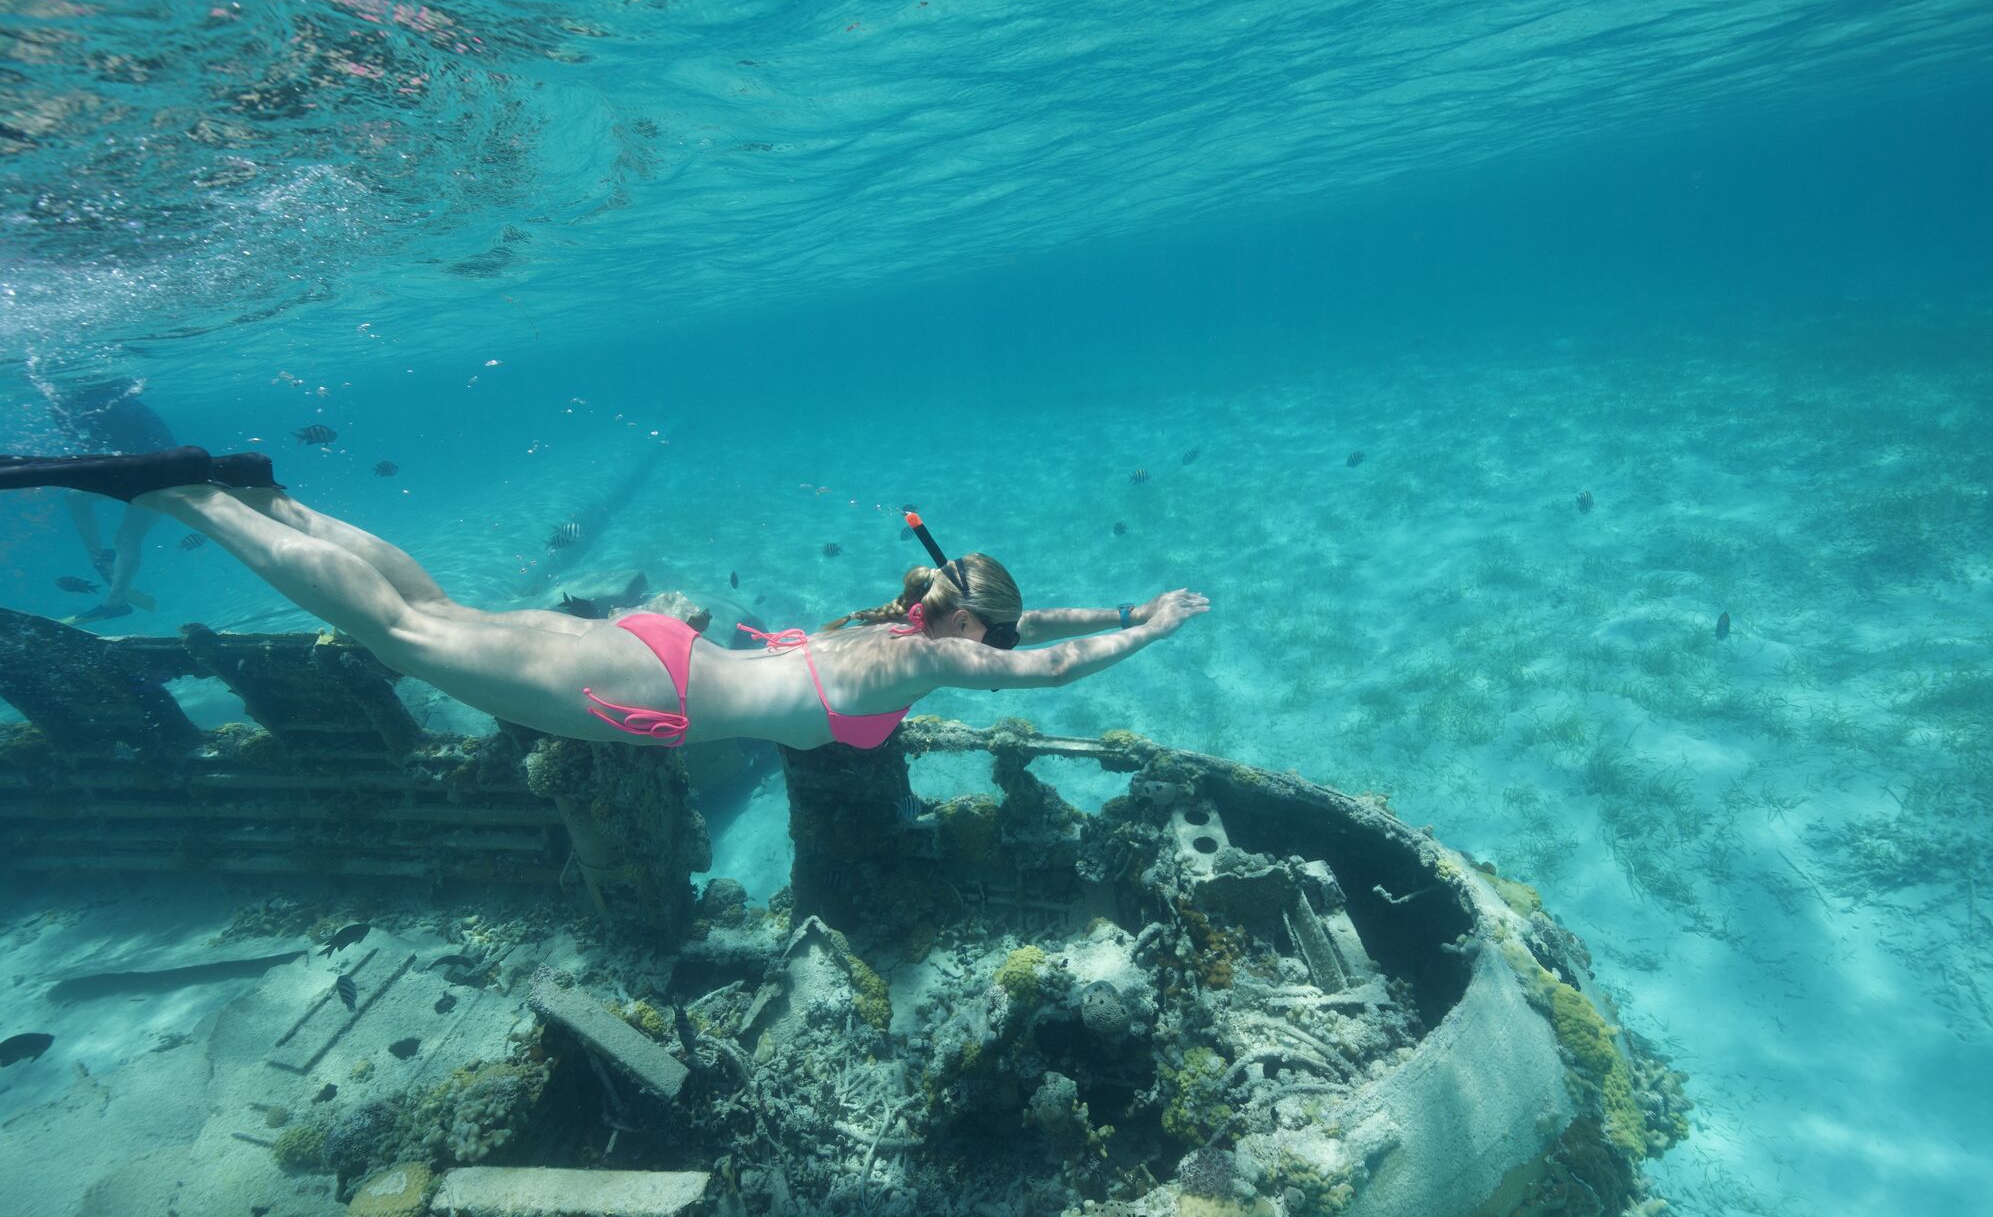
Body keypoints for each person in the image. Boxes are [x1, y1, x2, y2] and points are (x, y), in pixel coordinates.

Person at [0, 447, 1209, 749]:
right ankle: (187, 499)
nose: (994, 645)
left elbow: (1034, 629)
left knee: (434, 611)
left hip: (655, 656)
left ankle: (271, 496)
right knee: (401, 631)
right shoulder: (929, 657)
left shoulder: (895, 626)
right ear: (963, 628)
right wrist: (1149, 630)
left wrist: (1115, 607)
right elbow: (1042, 664)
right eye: (989, 632)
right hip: (643, 686)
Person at [43, 378, 177, 622]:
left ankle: (112, 595)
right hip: (162, 472)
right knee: (81, 501)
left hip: (158, 476)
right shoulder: (110, 404)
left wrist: (63, 419)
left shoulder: (99, 408)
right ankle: (102, 564)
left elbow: (93, 443)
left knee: (123, 535)